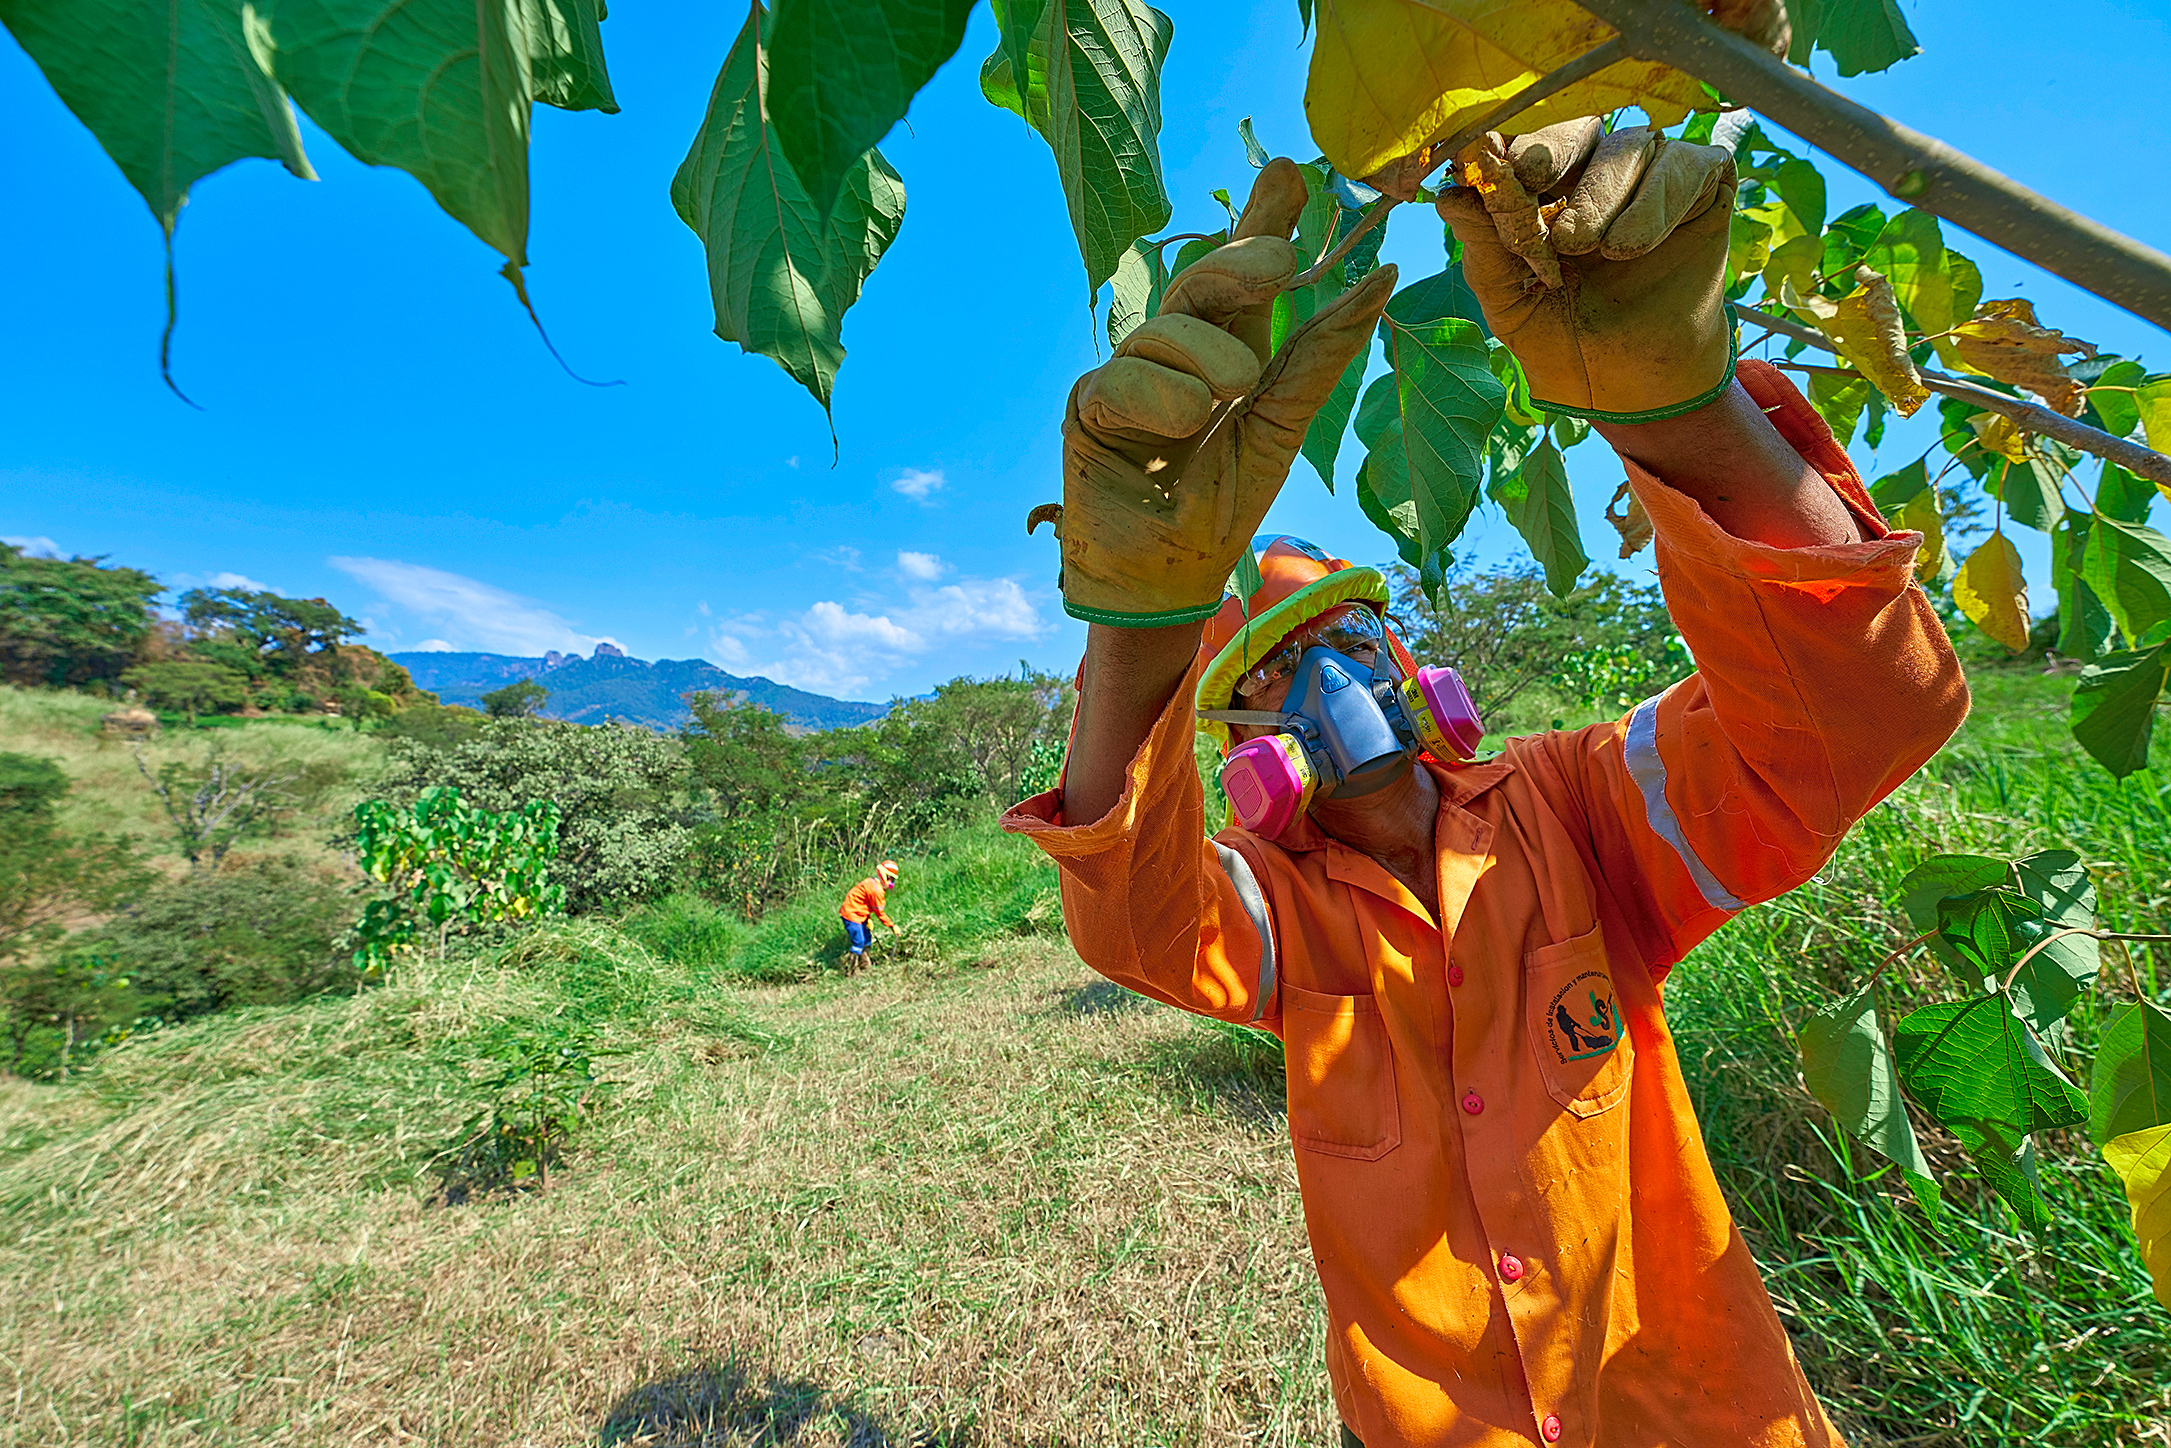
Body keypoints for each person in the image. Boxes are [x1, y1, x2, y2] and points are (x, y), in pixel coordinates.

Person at [1003, 124, 1968, 1447]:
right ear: (1241, 751)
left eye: (1348, 639)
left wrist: (1687, 412)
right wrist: (1138, 620)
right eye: (1278, 672)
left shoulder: (1572, 811)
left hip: (1690, 1410)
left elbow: (1865, 718)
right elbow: (1134, 918)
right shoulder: (1279, 916)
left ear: (1407, 662)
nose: (1332, 679)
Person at [839, 860, 900, 971]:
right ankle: (851, 970)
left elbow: (865, 903)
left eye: (893, 879)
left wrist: (868, 918)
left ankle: (865, 966)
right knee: (859, 942)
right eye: (889, 878)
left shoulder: (871, 882)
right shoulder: (876, 890)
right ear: (883, 874)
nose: (891, 882)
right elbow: (880, 913)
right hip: (852, 915)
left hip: (861, 914)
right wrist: (892, 926)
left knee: (867, 939)